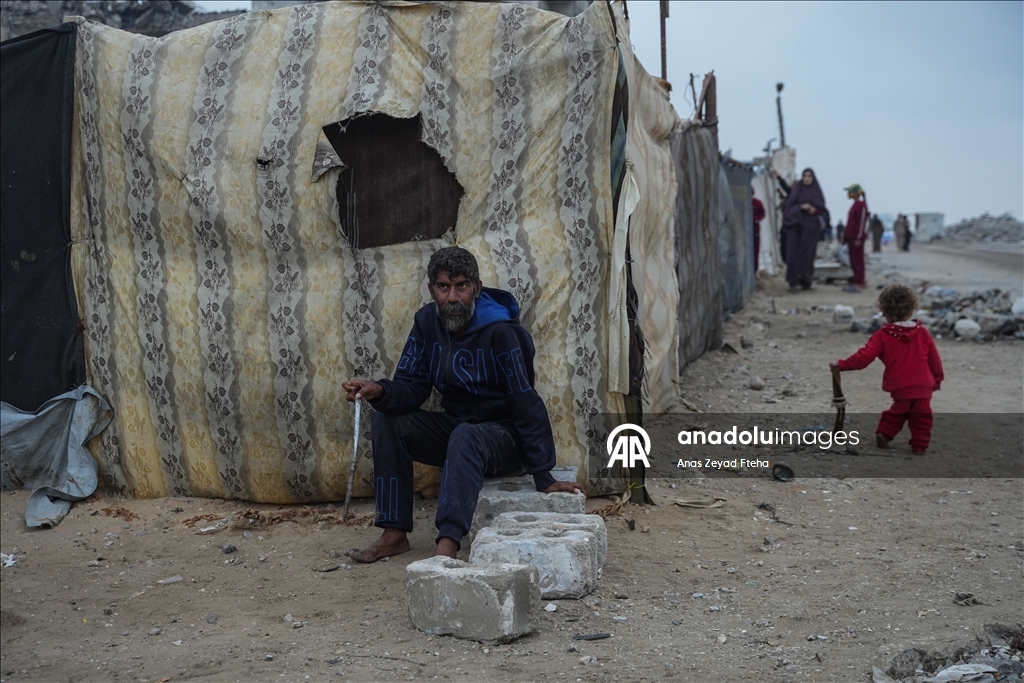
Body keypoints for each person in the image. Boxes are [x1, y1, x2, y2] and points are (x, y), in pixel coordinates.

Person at [341, 246, 585, 563]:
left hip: (504, 439)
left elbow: (525, 400)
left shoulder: (503, 333)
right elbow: (412, 385)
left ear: (476, 289)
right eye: (444, 287)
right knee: (388, 420)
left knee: (466, 434)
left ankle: (448, 544)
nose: (453, 297)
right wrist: (380, 391)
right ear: (432, 290)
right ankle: (393, 533)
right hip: (458, 430)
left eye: (462, 286)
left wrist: (544, 475)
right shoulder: (427, 323)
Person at [830, 284, 943, 455]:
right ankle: (919, 446)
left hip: (900, 384)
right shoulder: (922, 333)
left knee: (898, 412)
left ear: (884, 310)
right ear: (913, 308)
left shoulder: (882, 336)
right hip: (923, 384)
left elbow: (864, 358)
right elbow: (934, 360)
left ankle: (885, 433)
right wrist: (937, 379)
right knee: (922, 417)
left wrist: (841, 364)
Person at [782, 168, 828, 291]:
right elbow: (788, 210)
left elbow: (823, 211)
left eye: (809, 176)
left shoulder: (816, 192)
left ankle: (806, 281)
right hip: (795, 228)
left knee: (807, 255)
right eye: (805, 176)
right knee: (793, 254)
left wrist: (814, 210)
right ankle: (793, 281)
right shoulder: (796, 191)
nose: (807, 178)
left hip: (810, 229)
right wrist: (801, 207)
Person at [841, 184, 868, 292]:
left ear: (855, 193)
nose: (848, 194)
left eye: (850, 191)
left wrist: (859, 238)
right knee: (853, 260)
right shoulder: (855, 205)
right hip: (851, 238)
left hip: (857, 239)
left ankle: (859, 283)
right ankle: (856, 280)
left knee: (858, 261)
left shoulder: (861, 206)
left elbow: (862, 223)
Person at [752, 194, 765, 274]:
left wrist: (755, 219)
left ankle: (755, 270)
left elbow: (762, 213)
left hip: (755, 230)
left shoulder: (757, 203)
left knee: (755, 251)